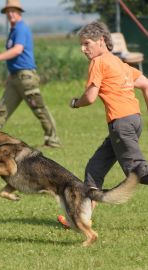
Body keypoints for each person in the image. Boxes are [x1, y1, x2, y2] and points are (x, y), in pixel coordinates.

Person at [58, 21, 148, 228]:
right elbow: (145, 83)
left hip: (121, 124)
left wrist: (75, 103)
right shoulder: (118, 63)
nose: (83, 49)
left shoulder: (98, 62)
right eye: (81, 45)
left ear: (101, 41)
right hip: (133, 120)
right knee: (94, 169)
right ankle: (80, 218)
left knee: (137, 171)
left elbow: (90, 97)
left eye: (86, 44)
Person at [0, 0, 60, 148]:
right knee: (1, 110)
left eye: (13, 11)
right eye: (8, 11)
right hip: (15, 77)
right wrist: (10, 76)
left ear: (19, 12)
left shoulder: (21, 29)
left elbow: (17, 50)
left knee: (39, 109)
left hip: (25, 78)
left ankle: (53, 140)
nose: (10, 14)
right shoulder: (13, 30)